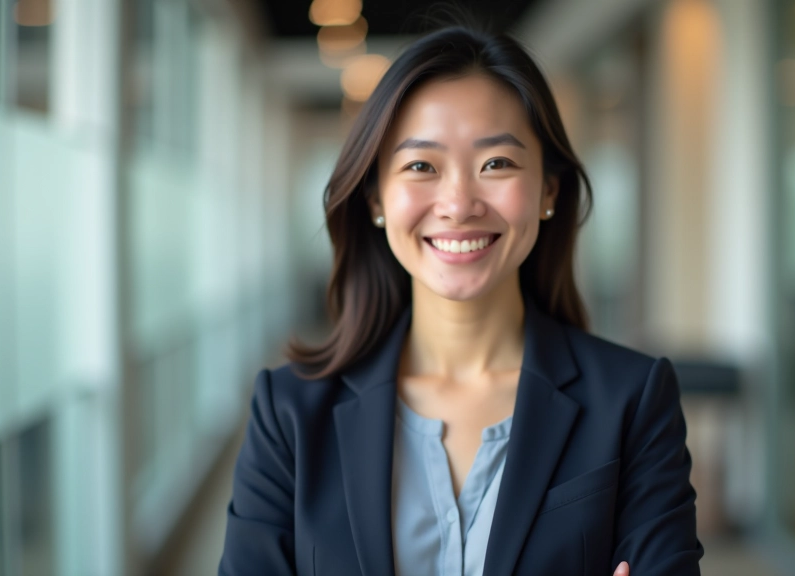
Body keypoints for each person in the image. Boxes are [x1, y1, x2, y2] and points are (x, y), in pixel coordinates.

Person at [219, 25, 703, 576]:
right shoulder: (288, 414)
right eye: (421, 166)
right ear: (376, 196)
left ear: (548, 190)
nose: (458, 203)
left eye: (496, 163)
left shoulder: (633, 401)